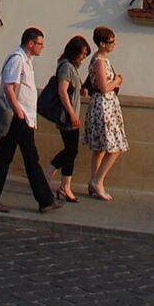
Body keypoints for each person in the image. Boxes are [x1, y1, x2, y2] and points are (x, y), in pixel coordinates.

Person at [0, 27, 59, 213]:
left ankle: (44, 200)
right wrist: (19, 112)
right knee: (17, 158)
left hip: (23, 117)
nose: (43, 47)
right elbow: (9, 88)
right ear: (30, 43)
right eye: (40, 43)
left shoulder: (26, 60)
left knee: (22, 158)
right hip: (19, 118)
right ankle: (44, 200)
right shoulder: (17, 60)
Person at [83, 25, 129, 199]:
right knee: (115, 146)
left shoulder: (100, 59)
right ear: (102, 44)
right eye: (111, 42)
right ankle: (97, 180)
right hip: (104, 106)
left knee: (100, 148)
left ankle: (94, 182)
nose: (113, 44)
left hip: (105, 105)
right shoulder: (99, 61)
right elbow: (103, 87)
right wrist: (116, 81)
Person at [44, 34, 91, 201]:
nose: (84, 57)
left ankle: (52, 177)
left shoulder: (71, 67)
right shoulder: (66, 67)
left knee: (71, 150)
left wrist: (82, 91)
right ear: (74, 51)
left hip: (71, 114)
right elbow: (62, 91)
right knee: (71, 150)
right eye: (83, 53)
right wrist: (71, 113)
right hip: (68, 116)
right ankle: (60, 184)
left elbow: (70, 89)